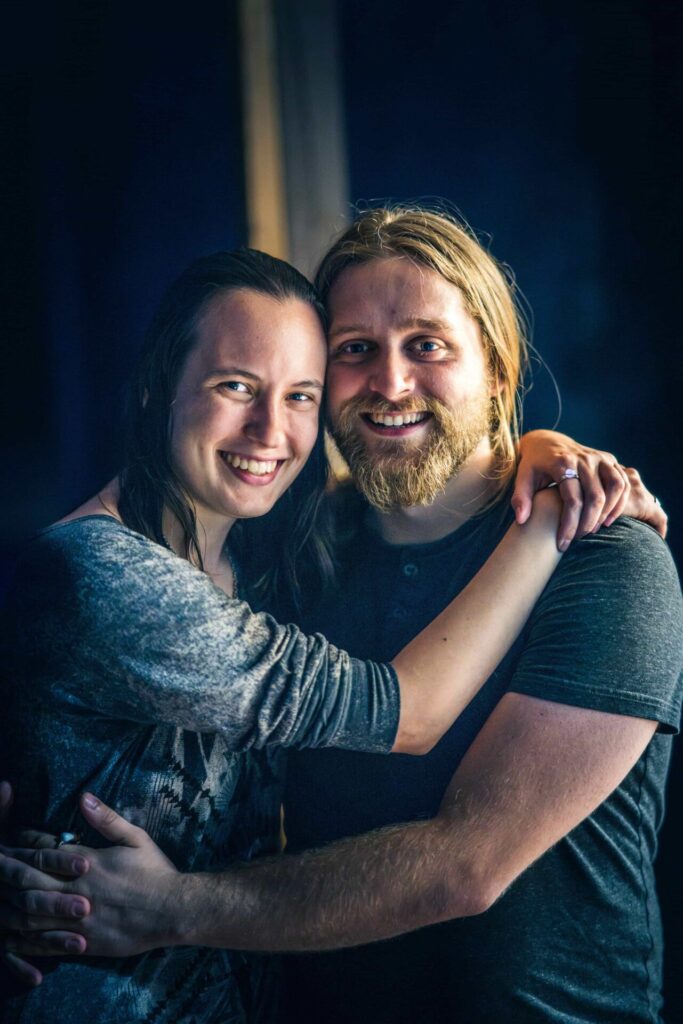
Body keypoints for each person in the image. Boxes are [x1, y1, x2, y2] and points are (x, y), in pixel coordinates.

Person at [1, 210, 679, 1024]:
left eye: (426, 344)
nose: (389, 384)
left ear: (497, 371)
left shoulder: (600, 553)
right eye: (355, 350)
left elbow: (466, 866)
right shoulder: (296, 552)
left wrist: (172, 905)